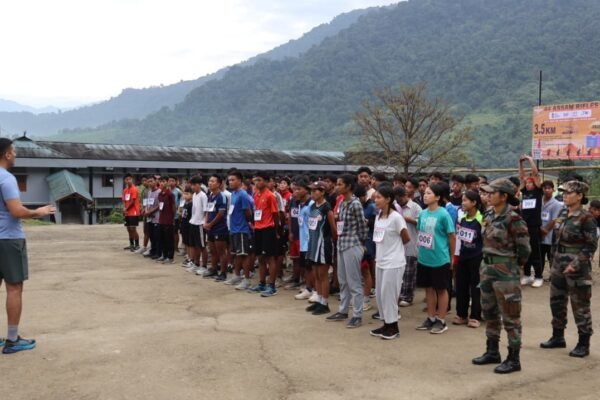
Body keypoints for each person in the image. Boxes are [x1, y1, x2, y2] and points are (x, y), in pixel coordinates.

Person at [0, 137, 56, 353]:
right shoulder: (7, 179)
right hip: (9, 239)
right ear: (7, 154)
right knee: (14, 287)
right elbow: (16, 211)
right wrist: (38, 212)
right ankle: (12, 340)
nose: (15, 154)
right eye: (13, 151)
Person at [472, 178, 530, 374]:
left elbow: (524, 250)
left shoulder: (514, 219)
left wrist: (512, 266)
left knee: (511, 317)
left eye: (492, 193)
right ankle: (492, 351)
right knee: (489, 312)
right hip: (487, 270)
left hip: (506, 273)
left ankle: (514, 358)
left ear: (504, 196)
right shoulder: (488, 214)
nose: (488, 196)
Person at [540, 181, 597, 358]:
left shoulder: (586, 218)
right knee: (556, 302)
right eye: (563, 192)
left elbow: (590, 246)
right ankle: (558, 336)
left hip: (577, 268)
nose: (564, 195)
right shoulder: (563, 213)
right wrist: (554, 262)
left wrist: (575, 264)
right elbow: (556, 240)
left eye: (569, 193)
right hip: (558, 264)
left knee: (580, 305)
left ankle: (583, 343)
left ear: (579, 196)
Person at [326, 174, 368, 328]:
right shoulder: (342, 202)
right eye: (337, 184)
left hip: (352, 245)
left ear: (349, 186)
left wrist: (360, 244)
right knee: (343, 280)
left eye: (340, 184)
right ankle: (343, 310)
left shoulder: (355, 204)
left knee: (354, 282)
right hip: (342, 244)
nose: (337, 187)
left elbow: (362, 226)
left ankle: (357, 315)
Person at [369, 185, 410, 340]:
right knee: (380, 295)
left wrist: (394, 250)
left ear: (388, 199)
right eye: (375, 197)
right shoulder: (379, 216)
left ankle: (393, 327)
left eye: (379, 197)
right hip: (380, 261)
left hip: (394, 262)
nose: (376, 200)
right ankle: (386, 324)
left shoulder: (396, 218)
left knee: (389, 295)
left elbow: (406, 238)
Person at [415, 183, 456, 335]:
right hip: (424, 258)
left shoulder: (443, 214)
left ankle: (441, 320)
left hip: (440, 258)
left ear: (438, 197)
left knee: (441, 289)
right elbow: (420, 233)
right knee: (428, 288)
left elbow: (452, 236)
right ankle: (431, 318)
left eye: (429, 193)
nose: (425, 196)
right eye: (425, 193)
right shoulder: (423, 214)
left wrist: (452, 257)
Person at [248, 171, 281, 297]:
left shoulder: (270, 196)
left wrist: (276, 230)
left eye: (260, 180)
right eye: (256, 180)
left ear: (266, 182)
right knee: (260, 257)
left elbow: (275, 214)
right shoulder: (256, 195)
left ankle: (271, 286)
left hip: (268, 229)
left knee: (270, 257)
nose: (257, 183)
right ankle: (261, 283)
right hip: (258, 229)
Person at [454, 190, 484, 328]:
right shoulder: (462, 219)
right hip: (463, 256)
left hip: (477, 257)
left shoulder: (481, 219)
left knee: (475, 287)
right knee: (461, 286)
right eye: (462, 200)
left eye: (465, 200)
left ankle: (475, 316)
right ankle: (461, 314)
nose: (463, 203)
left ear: (474, 203)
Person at [306, 181, 337, 315]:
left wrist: (331, 241)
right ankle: (318, 300)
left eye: (315, 191)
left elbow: (333, 229)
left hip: (323, 244)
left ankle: (324, 303)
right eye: (311, 191)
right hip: (313, 243)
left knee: (323, 275)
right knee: (316, 274)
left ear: (323, 192)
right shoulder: (313, 206)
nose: (312, 193)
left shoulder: (326, 208)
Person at [225, 169, 254, 289]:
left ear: (240, 181)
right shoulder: (233, 194)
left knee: (244, 255)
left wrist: (248, 224)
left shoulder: (243, 195)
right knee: (236, 254)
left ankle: (246, 279)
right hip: (234, 228)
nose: (230, 182)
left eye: (233, 180)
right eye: (229, 180)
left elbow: (248, 212)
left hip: (242, 229)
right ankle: (236, 275)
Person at [518, 154, 544, 287]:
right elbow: (521, 176)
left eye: (530, 182)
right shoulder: (525, 192)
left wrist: (530, 160)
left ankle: (538, 276)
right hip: (524, 225)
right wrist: (521, 164)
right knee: (525, 250)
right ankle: (527, 274)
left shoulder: (538, 192)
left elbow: (535, 173)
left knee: (535, 250)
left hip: (534, 226)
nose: (528, 184)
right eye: (527, 183)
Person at [394, 186, 421, 307]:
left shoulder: (415, 207)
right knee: (399, 273)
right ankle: (399, 295)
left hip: (411, 244)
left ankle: (408, 296)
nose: (399, 201)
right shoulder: (395, 206)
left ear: (406, 196)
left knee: (409, 272)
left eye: (400, 198)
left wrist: (408, 219)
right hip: (398, 245)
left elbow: (421, 223)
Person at [203, 174, 229, 281]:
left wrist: (211, 224)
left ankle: (223, 273)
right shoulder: (210, 195)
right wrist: (206, 222)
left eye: (213, 181)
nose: (210, 183)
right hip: (210, 228)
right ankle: (213, 269)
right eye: (209, 181)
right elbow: (208, 211)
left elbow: (221, 214)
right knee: (212, 251)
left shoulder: (222, 196)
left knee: (221, 252)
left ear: (219, 184)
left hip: (220, 228)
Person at [356, 185, 376, 311]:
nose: (359, 199)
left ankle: (366, 299)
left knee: (366, 270)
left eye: (361, 197)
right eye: (357, 197)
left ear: (365, 195)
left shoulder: (372, 207)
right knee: (357, 272)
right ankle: (359, 298)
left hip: (368, 243)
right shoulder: (355, 206)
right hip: (356, 243)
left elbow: (375, 223)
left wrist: (367, 222)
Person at [540, 181, 563, 274]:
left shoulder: (557, 204)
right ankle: (539, 275)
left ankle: (553, 276)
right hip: (539, 233)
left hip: (550, 235)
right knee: (540, 257)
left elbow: (554, 220)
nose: (547, 190)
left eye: (549, 188)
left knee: (551, 257)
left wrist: (545, 231)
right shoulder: (539, 201)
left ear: (553, 190)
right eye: (545, 188)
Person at [187, 175, 208, 273]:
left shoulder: (203, 196)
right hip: (193, 222)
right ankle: (196, 264)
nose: (192, 187)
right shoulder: (194, 195)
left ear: (199, 185)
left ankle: (204, 266)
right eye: (191, 185)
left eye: (194, 185)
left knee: (202, 246)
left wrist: (205, 222)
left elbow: (205, 211)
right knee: (195, 245)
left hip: (200, 224)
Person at [156, 177, 176, 263]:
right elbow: (160, 206)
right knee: (162, 239)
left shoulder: (170, 194)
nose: (161, 183)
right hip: (161, 219)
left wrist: (172, 218)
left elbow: (173, 207)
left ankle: (170, 257)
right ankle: (164, 255)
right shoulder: (160, 194)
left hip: (168, 220)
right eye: (160, 182)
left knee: (169, 239)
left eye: (163, 181)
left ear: (167, 183)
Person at [122, 173, 140, 252]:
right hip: (127, 213)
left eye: (129, 179)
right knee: (128, 229)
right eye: (126, 179)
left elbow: (132, 202)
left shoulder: (134, 189)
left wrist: (126, 209)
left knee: (133, 228)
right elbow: (124, 201)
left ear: (132, 179)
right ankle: (131, 244)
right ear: (124, 181)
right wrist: (124, 209)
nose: (128, 181)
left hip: (134, 212)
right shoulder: (125, 190)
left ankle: (137, 245)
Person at [590, 200, 600, 268]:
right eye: (595, 210)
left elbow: (597, 236)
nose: (597, 213)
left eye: (599, 210)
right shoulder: (586, 216)